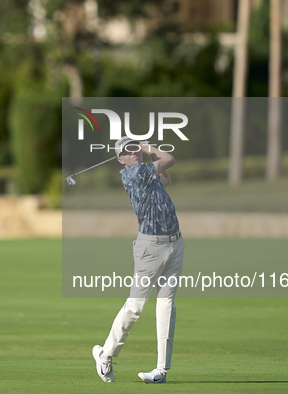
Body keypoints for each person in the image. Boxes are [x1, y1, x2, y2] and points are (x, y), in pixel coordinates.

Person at [92, 136, 185, 384]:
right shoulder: (133, 174)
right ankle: (105, 355)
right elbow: (169, 160)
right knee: (135, 307)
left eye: (134, 148)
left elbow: (167, 178)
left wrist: (144, 151)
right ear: (121, 160)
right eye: (127, 151)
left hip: (175, 243)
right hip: (150, 248)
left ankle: (161, 371)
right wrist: (147, 148)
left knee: (167, 306)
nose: (133, 152)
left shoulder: (147, 172)